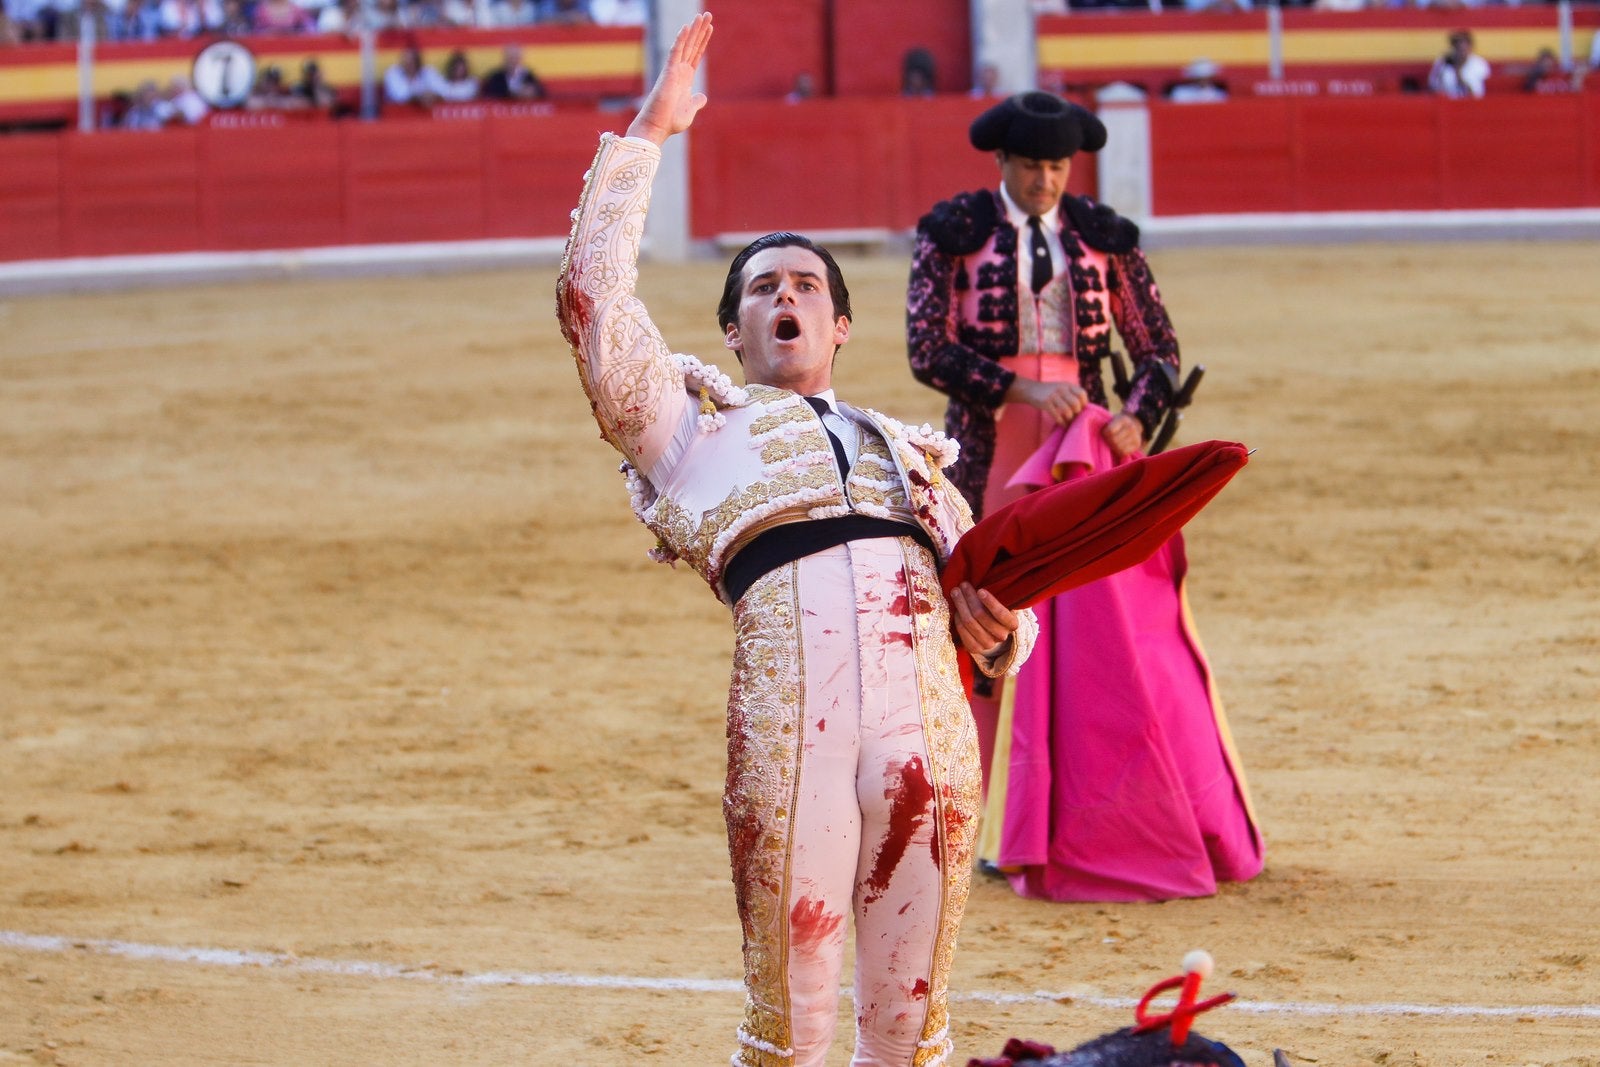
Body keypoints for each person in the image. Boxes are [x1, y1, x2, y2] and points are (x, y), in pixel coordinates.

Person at [556, 14, 1037, 1066]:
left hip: (930, 729)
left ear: (841, 328)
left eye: (806, 284)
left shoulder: (918, 459)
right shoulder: (693, 431)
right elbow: (593, 305)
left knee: (912, 1025)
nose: (786, 295)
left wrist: (1003, 631)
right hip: (793, 728)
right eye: (763, 286)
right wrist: (648, 132)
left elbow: (1003, 610)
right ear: (731, 332)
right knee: (794, 1023)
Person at [905, 90, 1264, 903]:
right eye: (1031, 167)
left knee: (1100, 637)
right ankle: (985, 819)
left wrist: (1137, 421)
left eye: (1057, 168)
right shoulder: (953, 233)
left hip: (1084, 457)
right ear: (1002, 163)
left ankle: (1080, 816)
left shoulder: (1104, 239)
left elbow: (1157, 350)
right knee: (980, 625)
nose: (1044, 181)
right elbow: (926, 349)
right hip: (990, 450)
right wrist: (1022, 391)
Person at [1428, 29, 1489, 99]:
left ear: (1470, 46)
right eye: (1457, 44)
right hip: (1446, 102)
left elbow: (1479, 92)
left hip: (1470, 103)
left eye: (1464, 44)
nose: (1461, 47)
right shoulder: (1443, 62)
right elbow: (1432, 85)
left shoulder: (1479, 64)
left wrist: (1459, 76)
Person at [479, 44, 546, 100]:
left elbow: (542, 94)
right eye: (510, 58)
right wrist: (514, 94)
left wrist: (534, 93)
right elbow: (487, 95)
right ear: (504, 59)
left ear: (520, 59)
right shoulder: (496, 76)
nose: (513, 61)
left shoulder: (529, 76)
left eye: (515, 58)